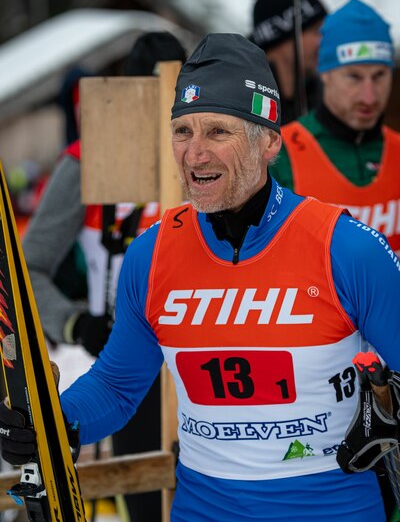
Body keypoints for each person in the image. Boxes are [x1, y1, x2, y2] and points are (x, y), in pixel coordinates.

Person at [1, 32, 400, 522]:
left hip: (331, 509)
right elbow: (119, 385)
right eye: (182, 131)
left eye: (217, 131)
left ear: (269, 141)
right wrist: (54, 423)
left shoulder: (346, 249)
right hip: (204, 509)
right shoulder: (151, 255)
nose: (194, 154)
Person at [20, 31, 187, 522]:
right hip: (130, 367)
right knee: (148, 506)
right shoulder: (90, 157)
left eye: (177, 98)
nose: (164, 116)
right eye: (153, 98)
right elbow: (27, 269)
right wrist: (76, 323)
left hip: (203, 360)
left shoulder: (206, 156)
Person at [270, 0, 400, 255]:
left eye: (379, 76)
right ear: (325, 74)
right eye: (354, 77)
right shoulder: (278, 153)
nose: (369, 97)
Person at [243, 0, 327, 124]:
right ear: (279, 38)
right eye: (316, 31)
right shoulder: (238, 105)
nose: (323, 40)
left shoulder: (326, 99)